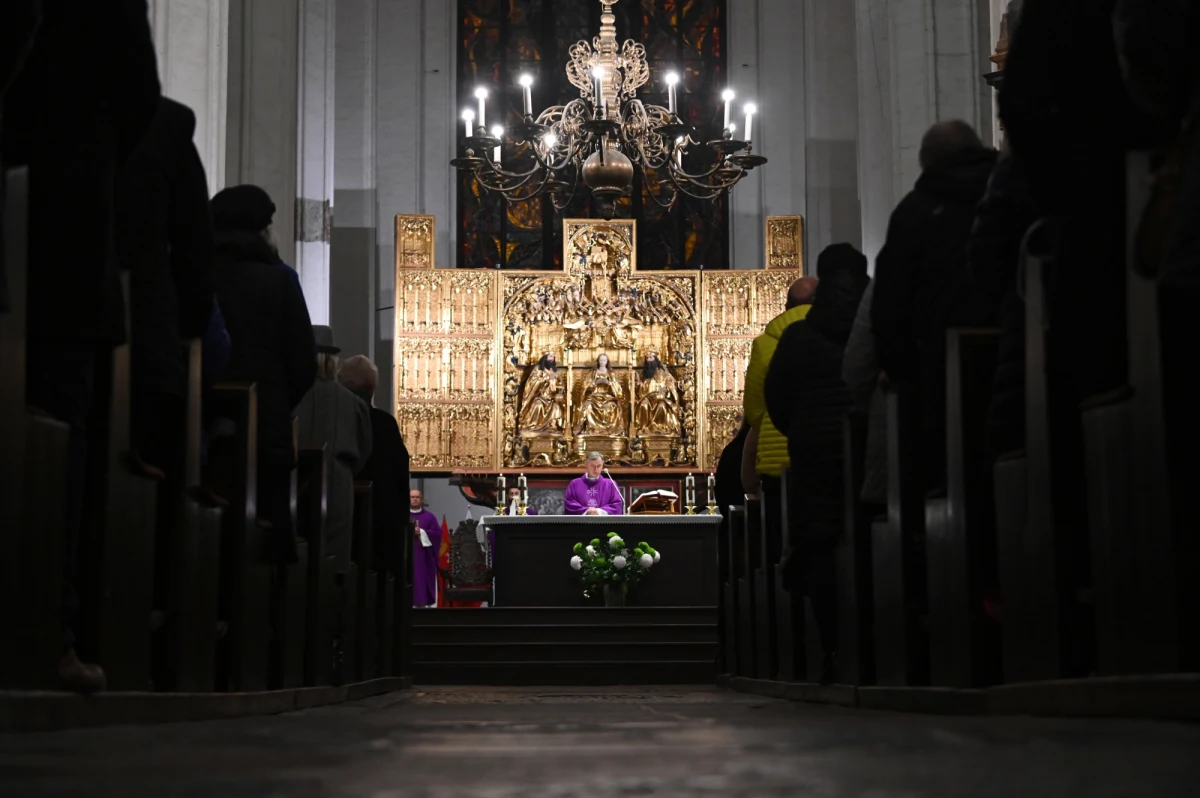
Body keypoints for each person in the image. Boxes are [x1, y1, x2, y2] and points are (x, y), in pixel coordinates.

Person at [3, 0, 162, 692]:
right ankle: (48, 635)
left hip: (46, 205)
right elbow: (136, 94)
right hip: (65, 229)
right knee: (62, 431)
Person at [765, 243, 872, 684]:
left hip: (815, 452)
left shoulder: (798, 335)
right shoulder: (874, 323)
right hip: (868, 447)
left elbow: (777, 398)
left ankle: (833, 648)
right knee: (873, 534)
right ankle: (878, 640)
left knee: (822, 543)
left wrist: (804, 433)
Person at [870, 120, 997, 492]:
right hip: (1014, 359)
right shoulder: (1008, 187)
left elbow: (890, 305)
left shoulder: (914, 212)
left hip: (935, 376)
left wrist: (900, 370)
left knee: (949, 483)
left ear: (926, 163)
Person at [209, 184, 317, 551]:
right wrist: (275, 403)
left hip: (199, 421)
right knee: (262, 542)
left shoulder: (194, 269)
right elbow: (303, 361)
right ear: (263, 229)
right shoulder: (279, 278)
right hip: (265, 428)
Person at [117, 96, 217, 476]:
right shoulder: (164, 126)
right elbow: (194, 253)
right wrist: (183, 334)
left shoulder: (27, 98)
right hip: (144, 339)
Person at [741, 276, 818, 498]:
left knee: (780, 524)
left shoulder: (765, 343)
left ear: (786, 307)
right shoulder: (838, 333)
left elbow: (754, 410)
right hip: (827, 450)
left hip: (776, 456)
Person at [337, 355, 410, 577]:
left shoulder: (335, 419)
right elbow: (400, 481)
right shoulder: (385, 424)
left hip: (340, 527)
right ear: (372, 388)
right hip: (381, 531)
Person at [410, 489, 442, 608]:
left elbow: (438, 534)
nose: (415, 499)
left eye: (417, 497)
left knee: (421, 582)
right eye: (412, 497)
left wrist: (422, 532)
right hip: (407, 556)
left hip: (424, 558)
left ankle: (423, 608)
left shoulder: (429, 517)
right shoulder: (403, 516)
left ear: (421, 499)